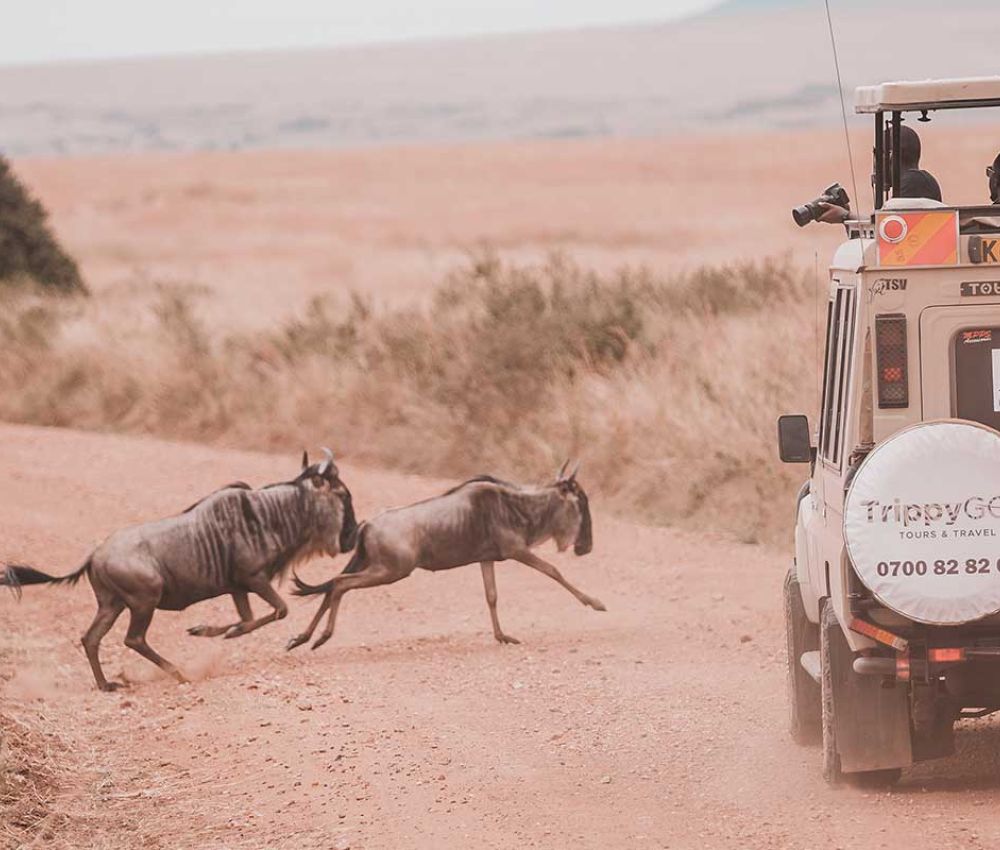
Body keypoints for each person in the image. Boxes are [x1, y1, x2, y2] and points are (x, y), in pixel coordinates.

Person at [819, 124, 941, 223]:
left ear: (890, 156)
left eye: (878, 155)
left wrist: (845, 216)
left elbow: (888, 230)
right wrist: (846, 214)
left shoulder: (913, 182)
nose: (876, 164)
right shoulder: (920, 180)